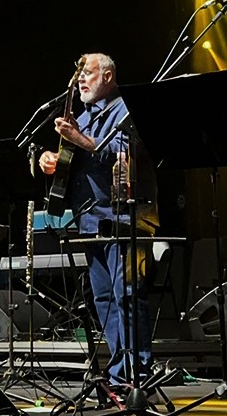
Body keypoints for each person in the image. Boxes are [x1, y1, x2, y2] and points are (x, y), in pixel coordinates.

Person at [38, 53, 159, 387]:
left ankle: (138, 374)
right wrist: (52, 159)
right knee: (104, 300)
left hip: (125, 218)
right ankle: (120, 374)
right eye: (78, 75)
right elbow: (75, 159)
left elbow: (121, 154)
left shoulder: (125, 109)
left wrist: (77, 139)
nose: (81, 80)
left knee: (127, 296)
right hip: (91, 219)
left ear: (107, 76)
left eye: (87, 73)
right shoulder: (84, 116)